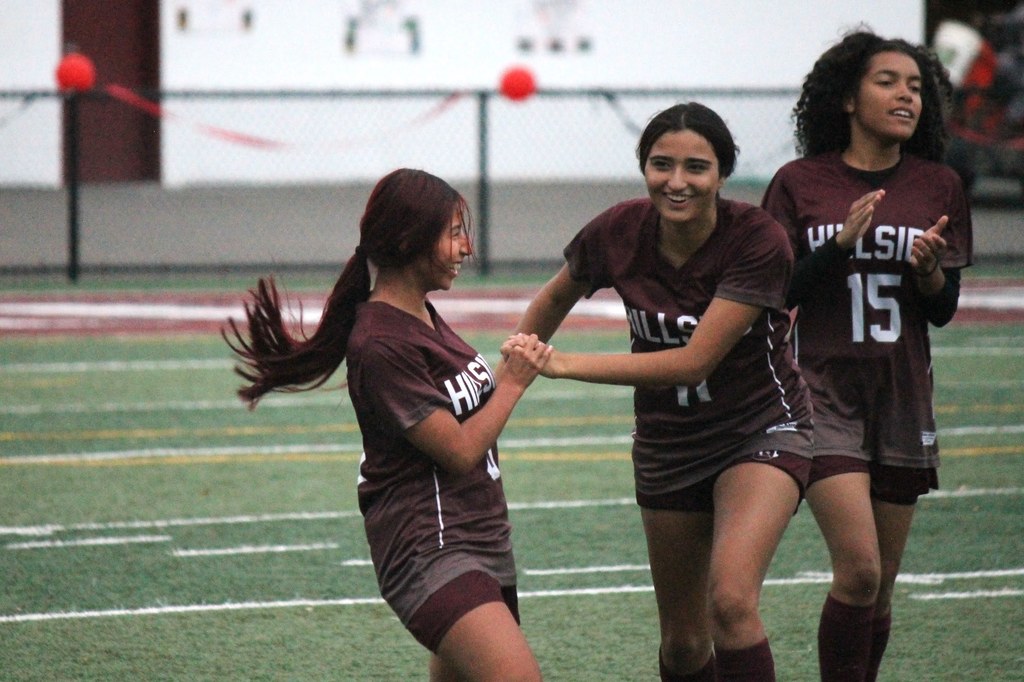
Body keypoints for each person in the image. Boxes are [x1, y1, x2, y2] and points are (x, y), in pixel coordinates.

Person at [506, 102, 814, 682]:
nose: (677, 182)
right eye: (661, 164)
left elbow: (695, 362)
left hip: (760, 428)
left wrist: (564, 363)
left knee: (730, 602)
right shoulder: (617, 229)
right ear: (643, 166)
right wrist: (510, 373)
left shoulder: (757, 239)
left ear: (723, 175)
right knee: (681, 643)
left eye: (696, 167)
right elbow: (553, 298)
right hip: (668, 443)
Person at [224, 168, 551, 682]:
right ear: (408, 239)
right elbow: (460, 451)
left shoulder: (420, 312)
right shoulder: (381, 343)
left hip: (479, 537)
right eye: (453, 233)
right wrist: (511, 382)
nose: (467, 247)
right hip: (433, 547)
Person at [760, 30, 974, 682]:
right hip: (822, 391)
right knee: (859, 570)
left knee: (879, 588)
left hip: (902, 394)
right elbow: (775, 292)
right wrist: (836, 245)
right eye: (888, 81)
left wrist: (932, 274)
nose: (905, 94)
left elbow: (942, 309)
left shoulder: (938, 185)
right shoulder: (800, 183)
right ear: (848, 97)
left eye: (915, 86)